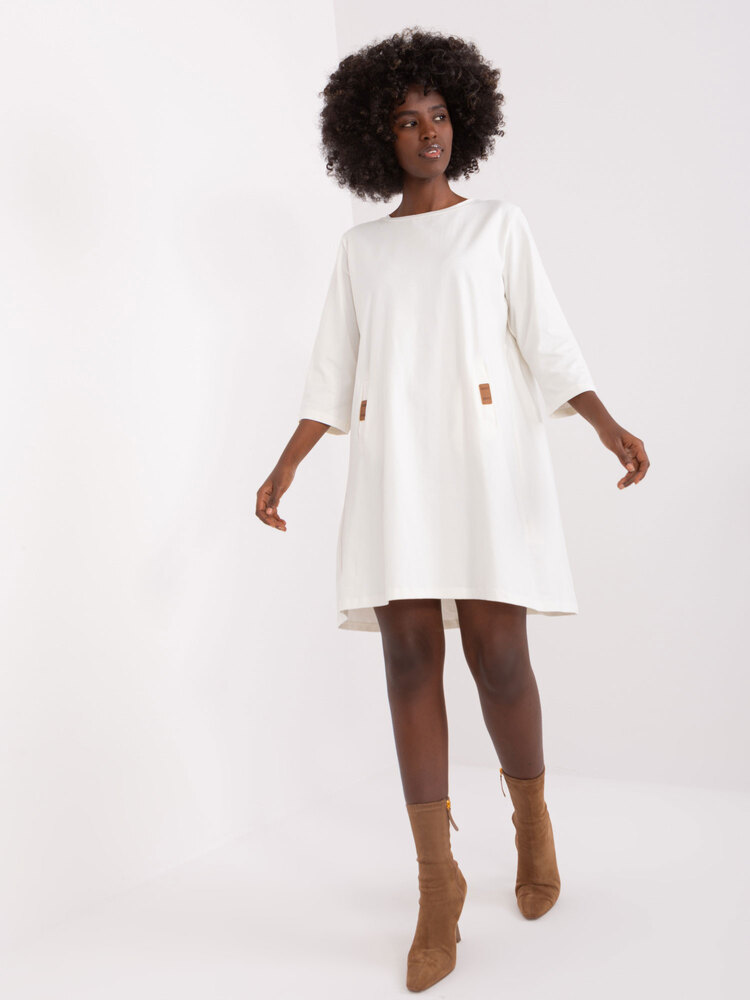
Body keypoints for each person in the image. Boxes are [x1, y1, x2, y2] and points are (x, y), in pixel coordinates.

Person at [256, 26, 649, 994]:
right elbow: (331, 370)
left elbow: (548, 342)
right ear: (374, 137)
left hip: (484, 458)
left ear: (463, 121)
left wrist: (605, 424)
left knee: (498, 655)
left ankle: (531, 820)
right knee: (406, 659)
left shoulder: (498, 227)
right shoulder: (362, 249)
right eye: (406, 120)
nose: (427, 132)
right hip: (394, 463)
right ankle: (438, 885)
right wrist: (286, 465)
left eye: (438, 115)